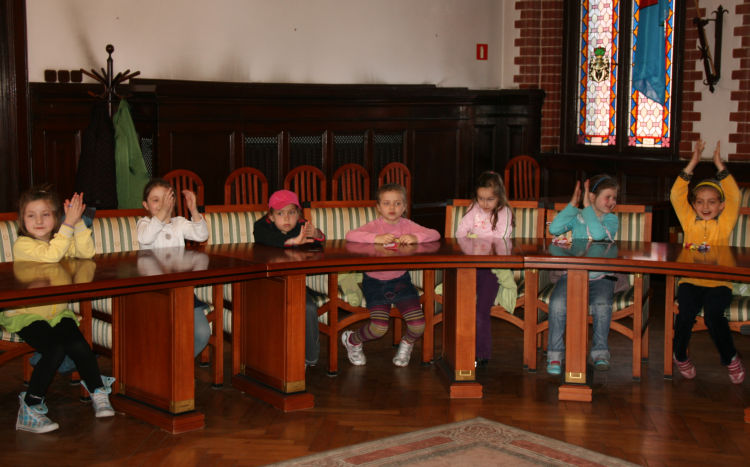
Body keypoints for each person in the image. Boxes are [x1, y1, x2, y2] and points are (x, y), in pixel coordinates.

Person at [5, 186, 115, 433]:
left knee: (79, 345)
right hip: (26, 314)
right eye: (31, 215)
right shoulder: (23, 244)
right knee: (54, 349)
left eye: (45, 214)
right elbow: (50, 256)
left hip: (56, 313)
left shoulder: (60, 241)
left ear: (56, 217)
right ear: (22, 220)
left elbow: (86, 253)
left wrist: (77, 222)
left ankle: (97, 390)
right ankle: (30, 407)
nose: (39, 220)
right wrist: (67, 226)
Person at [670, 140, 745, 384]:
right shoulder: (688, 221)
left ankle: (730, 358)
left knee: (714, 316)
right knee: (685, 314)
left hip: (719, 283)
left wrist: (719, 165)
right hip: (690, 281)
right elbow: (676, 195)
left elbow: (734, 195)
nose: (705, 206)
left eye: (712, 201)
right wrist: (692, 163)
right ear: (693, 205)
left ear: (721, 206)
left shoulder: (725, 224)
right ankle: (680, 355)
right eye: (700, 201)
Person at [343, 183, 440, 367]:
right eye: (386, 203)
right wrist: (375, 238)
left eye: (397, 203)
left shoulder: (407, 225)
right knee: (379, 328)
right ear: (379, 207)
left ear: (404, 207)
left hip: (401, 281)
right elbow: (351, 235)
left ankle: (407, 343)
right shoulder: (375, 226)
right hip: (374, 283)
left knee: (418, 325)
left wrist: (416, 237)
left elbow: (434, 234)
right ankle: (352, 340)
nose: (392, 207)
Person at [546, 174, 619, 375]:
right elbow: (554, 229)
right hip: (572, 276)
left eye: (614, 198)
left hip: (601, 278)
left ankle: (600, 352)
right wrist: (573, 204)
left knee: (602, 305)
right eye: (608, 197)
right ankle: (555, 355)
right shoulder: (578, 217)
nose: (612, 202)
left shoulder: (611, 220)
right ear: (592, 196)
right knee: (557, 304)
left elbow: (598, 235)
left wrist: (587, 208)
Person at [137, 178, 211, 359]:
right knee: (163, 333)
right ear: (145, 205)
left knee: (202, 333)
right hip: (155, 293)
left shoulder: (179, 223)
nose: (162, 205)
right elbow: (146, 238)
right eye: (156, 200)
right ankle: (164, 365)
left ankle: (179, 365)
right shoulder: (144, 224)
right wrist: (162, 213)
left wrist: (193, 210)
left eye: (166, 199)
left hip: (182, 289)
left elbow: (202, 235)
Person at [253, 189, 325, 368]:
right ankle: (267, 358)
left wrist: (316, 233)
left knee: (308, 307)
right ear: (271, 216)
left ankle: (310, 357)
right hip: (265, 284)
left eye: (291, 212)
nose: (286, 218)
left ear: (298, 214)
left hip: (295, 284)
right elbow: (266, 237)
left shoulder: (301, 225)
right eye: (280, 213)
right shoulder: (262, 226)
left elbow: (319, 241)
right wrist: (291, 243)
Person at [455, 171, 515, 367]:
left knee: (481, 310)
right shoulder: (473, 208)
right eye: (481, 198)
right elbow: (460, 233)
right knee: (461, 304)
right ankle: (459, 350)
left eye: (490, 199)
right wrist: (475, 243)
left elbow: (501, 240)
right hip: (471, 265)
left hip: (494, 268)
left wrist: (475, 239)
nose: (484, 203)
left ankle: (481, 352)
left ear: (500, 197)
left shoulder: (505, 213)